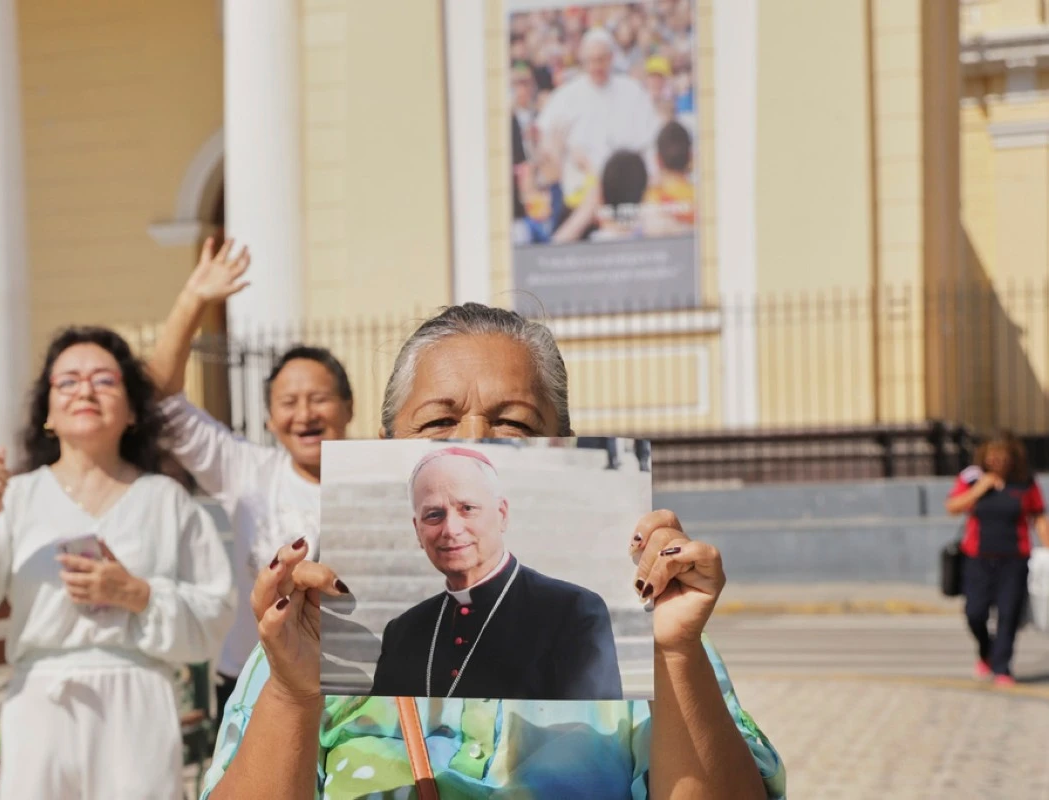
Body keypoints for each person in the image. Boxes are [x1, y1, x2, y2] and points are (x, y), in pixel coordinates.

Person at [201, 301, 785, 799]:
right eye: (438, 421)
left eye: (513, 423)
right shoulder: (321, 635)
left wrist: (676, 656)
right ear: (386, 453)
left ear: (562, 450)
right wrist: (293, 692)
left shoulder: (623, 627)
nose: (474, 439)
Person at [0, 326, 235, 799]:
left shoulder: (166, 501)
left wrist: (136, 594)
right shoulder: (15, 497)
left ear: (131, 410)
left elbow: (216, 614)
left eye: (104, 380)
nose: (85, 389)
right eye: (67, 381)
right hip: (41, 708)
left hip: (138, 705)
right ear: (47, 410)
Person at [147, 237, 355, 716]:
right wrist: (193, 300)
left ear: (348, 406)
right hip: (252, 680)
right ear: (268, 419)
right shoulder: (248, 471)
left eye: (319, 398)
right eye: (288, 402)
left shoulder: (384, 478)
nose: (305, 413)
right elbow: (162, 402)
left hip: (354, 685)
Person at [371, 446, 623, 700]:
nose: (451, 529)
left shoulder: (573, 613)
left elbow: (590, 730)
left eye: (467, 508)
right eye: (434, 515)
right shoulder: (402, 633)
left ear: (502, 515)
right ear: (417, 530)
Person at [945, 432, 1049, 686]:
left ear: (1013, 458)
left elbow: (1038, 517)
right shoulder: (972, 478)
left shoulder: (1025, 482)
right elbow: (952, 507)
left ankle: (1003, 667)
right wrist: (980, 489)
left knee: (1008, 614)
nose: (998, 461)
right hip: (978, 558)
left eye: (1003, 457)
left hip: (1014, 559)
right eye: (993, 456)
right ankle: (986, 651)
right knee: (975, 613)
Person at [534, 27, 660, 210]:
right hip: (580, 197)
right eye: (590, 60)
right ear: (583, 61)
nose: (596, 66)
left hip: (627, 192)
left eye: (600, 59)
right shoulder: (565, 96)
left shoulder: (632, 91)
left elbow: (649, 141)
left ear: (611, 58)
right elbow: (546, 142)